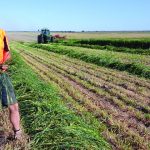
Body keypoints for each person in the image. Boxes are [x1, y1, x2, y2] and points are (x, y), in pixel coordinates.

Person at [0, 29, 21, 140]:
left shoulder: (2, 33)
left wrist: (3, 63)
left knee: (13, 106)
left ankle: (17, 134)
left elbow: (7, 53)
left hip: (1, 75)